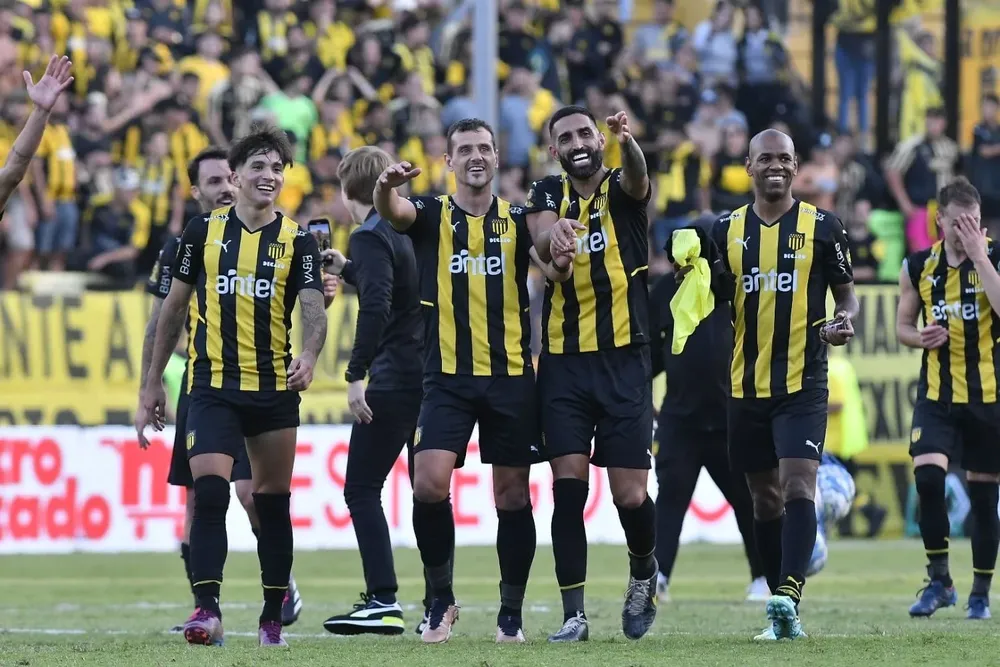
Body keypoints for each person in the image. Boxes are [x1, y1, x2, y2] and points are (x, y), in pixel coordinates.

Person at [373, 118, 574, 644]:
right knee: (428, 483)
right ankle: (441, 599)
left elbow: (552, 268)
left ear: (497, 155)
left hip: (511, 378)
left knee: (511, 496)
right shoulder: (430, 214)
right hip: (446, 378)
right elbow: (392, 210)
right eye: (465, 149)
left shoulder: (518, 219)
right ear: (449, 161)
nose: (476, 156)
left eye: (485, 147)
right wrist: (385, 185)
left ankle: (511, 612)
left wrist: (562, 256)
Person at [136, 124, 329, 648]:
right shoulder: (201, 233)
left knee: (270, 503)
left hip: (272, 389)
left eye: (277, 168)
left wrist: (309, 355)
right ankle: (207, 610)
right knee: (211, 492)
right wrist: (151, 383)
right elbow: (172, 309)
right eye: (259, 167)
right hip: (211, 386)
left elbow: (313, 307)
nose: (269, 176)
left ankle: (271, 618)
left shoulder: (298, 240)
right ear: (237, 176)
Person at [684, 128, 859, 640]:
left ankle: (787, 598)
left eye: (785, 157)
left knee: (798, 482)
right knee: (763, 498)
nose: (776, 165)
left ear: (796, 165)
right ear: (749, 167)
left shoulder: (825, 227)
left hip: (803, 380)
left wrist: (842, 321)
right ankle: (772, 586)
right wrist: (688, 274)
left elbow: (847, 298)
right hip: (745, 386)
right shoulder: (724, 230)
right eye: (766, 158)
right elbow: (712, 297)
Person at [525, 105, 658, 642]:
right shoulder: (543, 195)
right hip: (562, 364)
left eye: (586, 132)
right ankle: (573, 615)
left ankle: (643, 570)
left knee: (629, 495)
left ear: (599, 141)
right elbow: (542, 253)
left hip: (626, 359)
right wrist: (554, 249)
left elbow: (640, 175)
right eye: (566, 137)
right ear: (554, 149)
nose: (579, 141)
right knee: (568, 489)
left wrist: (626, 139)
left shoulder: (622, 188)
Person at [318, 146, 430, 636]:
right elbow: (397, 288)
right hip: (426, 374)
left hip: (392, 377)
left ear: (347, 192)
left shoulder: (369, 235)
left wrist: (355, 373)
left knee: (361, 488)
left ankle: (382, 598)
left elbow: (378, 304)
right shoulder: (401, 231)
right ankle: (438, 599)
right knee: (427, 491)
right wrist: (346, 268)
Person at [896, 177, 1000, 620]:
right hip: (936, 394)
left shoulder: (993, 257)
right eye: (959, 223)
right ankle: (940, 580)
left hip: (989, 397)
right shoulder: (918, 267)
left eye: (973, 223)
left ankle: (980, 591)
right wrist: (918, 338)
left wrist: (979, 256)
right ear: (939, 220)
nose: (967, 231)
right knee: (929, 480)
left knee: (982, 498)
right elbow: (901, 326)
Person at [649, 217, 768, 604]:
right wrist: (644, 401)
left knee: (748, 499)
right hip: (679, 420)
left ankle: (763, 575)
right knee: (670, 500)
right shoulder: (665, 291)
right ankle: (658, 576)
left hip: (729, 418)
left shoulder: (730, 288)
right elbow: (650, 356)